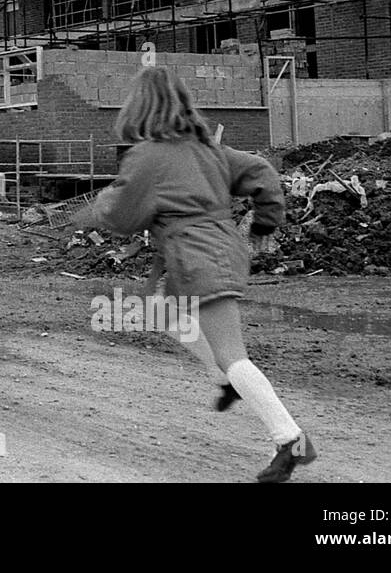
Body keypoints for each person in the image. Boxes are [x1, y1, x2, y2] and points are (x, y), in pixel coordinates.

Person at [70, 65, 316, 483]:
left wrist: (93, 212)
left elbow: (126, 214)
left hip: (197, 256)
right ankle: (230, 381)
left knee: (233, 354)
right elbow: (262, 173)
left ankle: (291, 440)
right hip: (214, 252)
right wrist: (263, 225)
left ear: (139, 107)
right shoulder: (208, 149)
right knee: (163, 313)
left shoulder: (146, 155)